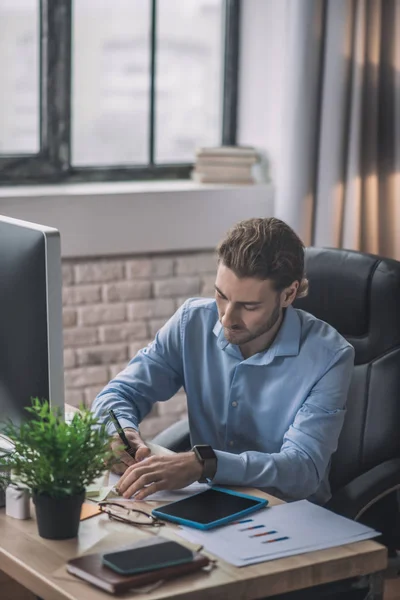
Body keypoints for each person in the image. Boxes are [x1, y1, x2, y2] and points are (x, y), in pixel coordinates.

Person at [92, 217, 354, 504]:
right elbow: (120, 392)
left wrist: (206, 464)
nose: (227, 317)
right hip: (208, 500)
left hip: (290, 512)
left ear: (288, 294)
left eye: (249, 306)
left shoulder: (331, 356)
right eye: (221, 295)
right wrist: (121, 432)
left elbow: (302, 470)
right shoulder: (191, 322)